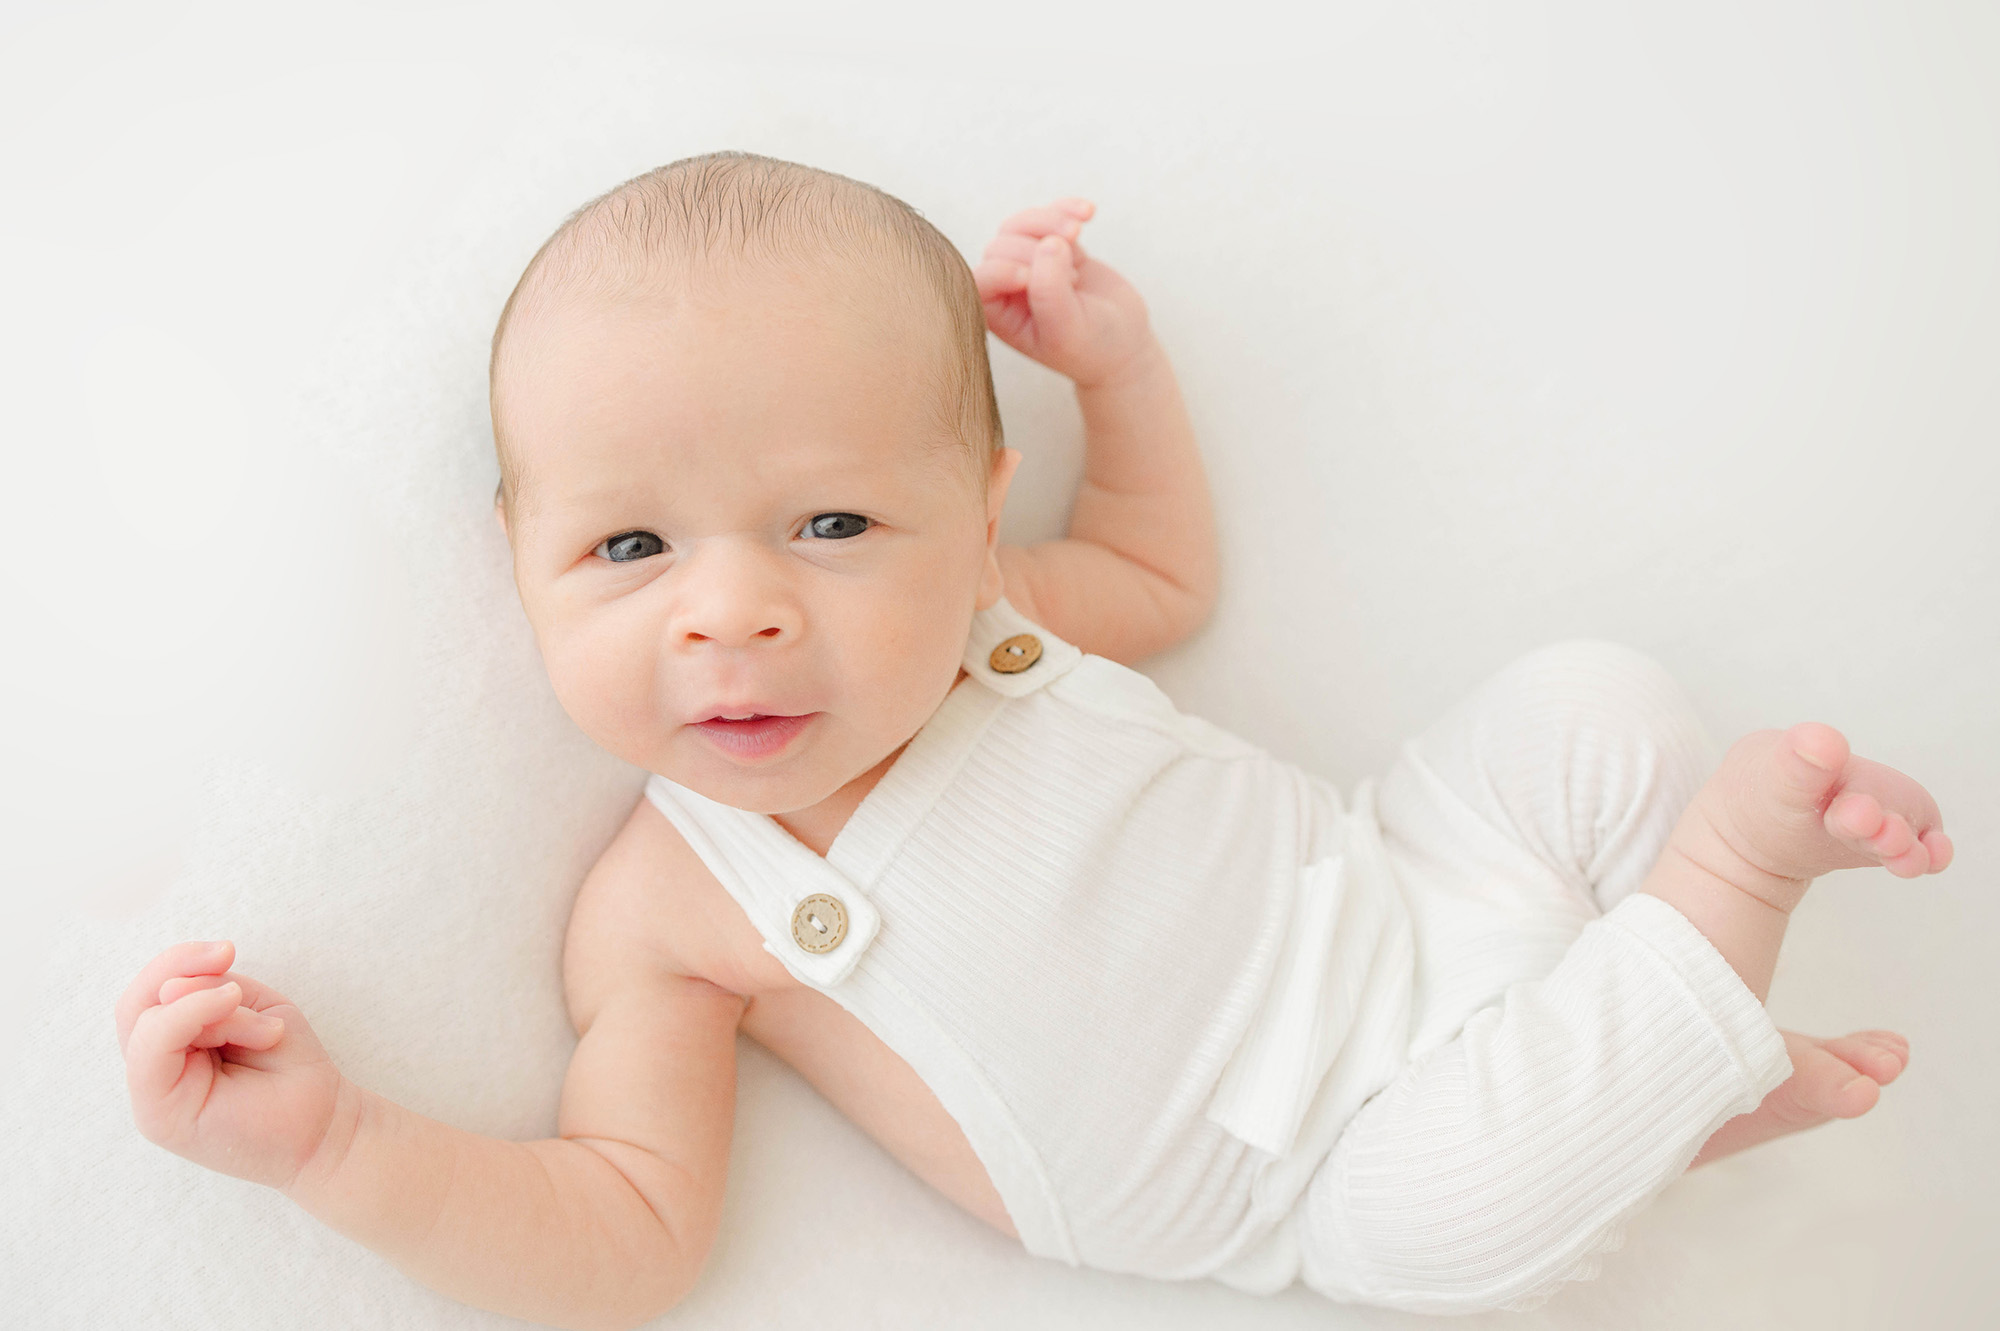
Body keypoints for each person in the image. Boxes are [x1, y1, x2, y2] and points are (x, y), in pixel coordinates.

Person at [117, 152, 1952, 1328]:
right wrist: (334, 1146)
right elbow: (622, 1237)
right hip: (1317, 1176)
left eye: (831, 527)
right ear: (516, 576)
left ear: (979, 520)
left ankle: (1658, 1059)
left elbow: (1167, 565)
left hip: (1407, 887)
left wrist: (1113, 371)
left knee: (1589, 698)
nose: (732, 608)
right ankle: (1715, 924)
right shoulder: (675, 912)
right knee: (1452, 1235)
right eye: (629, 546)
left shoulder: (1002, 624)